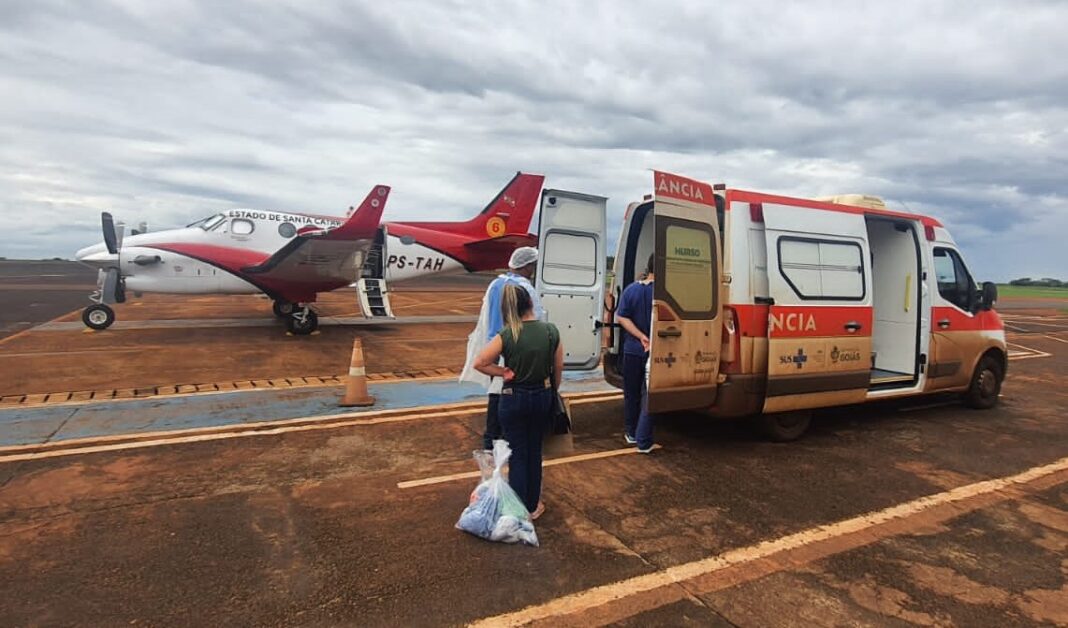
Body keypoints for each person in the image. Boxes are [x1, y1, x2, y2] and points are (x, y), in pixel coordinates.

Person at [473, 283, 562, 520]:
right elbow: (558, 367)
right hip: (542, 396)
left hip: (514, 399)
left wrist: (503, 372)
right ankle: (532, 506)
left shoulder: (507, 334)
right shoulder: (550, 331)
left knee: (519, 455)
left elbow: (480, 362)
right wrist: (552, 391)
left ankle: (519, 509)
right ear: (531, 303)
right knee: (535, 452)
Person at [459, 247, 545, 450]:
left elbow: (486, 317)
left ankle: (491, 439)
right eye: (532, 266)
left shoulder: (495, 284)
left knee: (496, 392)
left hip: (493, 346)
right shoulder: (524, 288)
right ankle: (504, 439)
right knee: (511, 395)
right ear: (527, 266)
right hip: (515, 347)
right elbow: (536, 319)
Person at [615, 253, 655, 453]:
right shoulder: (662, 294)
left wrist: (640, 336)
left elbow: (621, 317)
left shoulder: (631, 290)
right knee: (649, 394)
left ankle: (631, 432)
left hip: (632, 350)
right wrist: (647, 338)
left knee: (631, 394)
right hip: (654, 351)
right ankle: (643, 437)